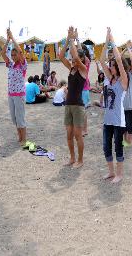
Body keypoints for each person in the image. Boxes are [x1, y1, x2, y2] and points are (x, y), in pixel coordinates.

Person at [100, 28, 128, 183]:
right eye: (110, 65)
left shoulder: (123, 81)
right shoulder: (109, 79)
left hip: (118, 120)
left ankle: (119, 174)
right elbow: (101, 59)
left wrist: (113, 42)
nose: (110, 66)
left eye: (113, 65)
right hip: (107, 119)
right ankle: (111, 172)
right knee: (106, 147)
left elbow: (118, 60)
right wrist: (106, 42)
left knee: (118, 147)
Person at [58, 26, 88, 168]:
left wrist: (72, 40)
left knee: (78, 135)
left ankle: (80, 160)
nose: (74, 60)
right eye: (74, 60)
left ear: (82, 60)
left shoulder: (83, 70)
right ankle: (72, 158)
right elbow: (60, 56)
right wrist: (67, 41)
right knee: (69, 135)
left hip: (78, 106)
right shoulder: (71, 68)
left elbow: (75, 56)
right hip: (68, 105)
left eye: (77, 59)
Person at [0, 28, 28, 146]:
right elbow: (2, 53)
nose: (13, 56)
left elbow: (20, 52)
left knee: (20, 117)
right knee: (13, 117)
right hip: (11, 94)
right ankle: (19, 136)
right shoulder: (10, 64)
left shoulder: (22, 65)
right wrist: (8, 40)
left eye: (14, 54)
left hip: (19, 94)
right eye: (11, 55)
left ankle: (23, 139)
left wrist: (13, 38)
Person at [122, 41, 132, 147]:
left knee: (129, 124)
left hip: (130, 104)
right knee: (123, 124)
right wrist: (125, 50)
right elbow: (119, 59)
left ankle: (129, 141)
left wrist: (128, 49)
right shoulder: (121, 74)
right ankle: (125, 141)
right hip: (122, 104)